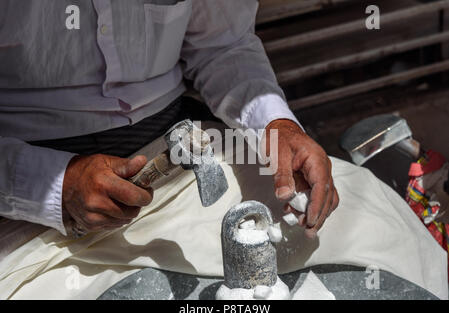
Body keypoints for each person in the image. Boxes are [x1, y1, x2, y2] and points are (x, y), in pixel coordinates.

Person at [0, 0, 338, 239]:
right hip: (29, 170)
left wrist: (277, 126)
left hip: (178, 139)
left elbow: (222, 46)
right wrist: (55, 186)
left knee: (357, 230)